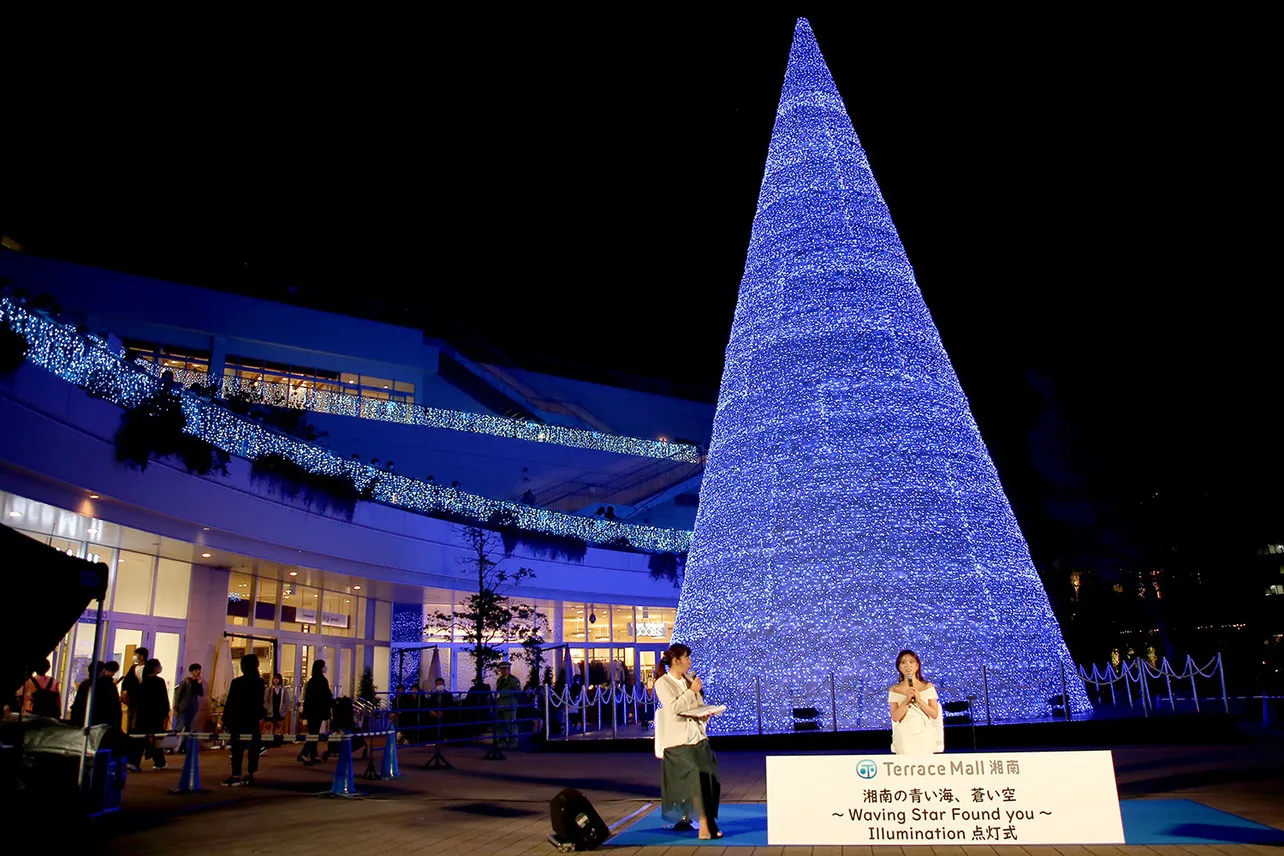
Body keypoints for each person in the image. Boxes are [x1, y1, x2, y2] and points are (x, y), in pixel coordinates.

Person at [653, 643, 721, 840]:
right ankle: (705, 825)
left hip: (698, 736)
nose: (690, 662)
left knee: (710, 775)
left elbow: (697, 705)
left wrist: (706, 713)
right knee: (696, 777)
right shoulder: (662, 683)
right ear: (676, 661)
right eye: (687, 658)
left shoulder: (689, 680)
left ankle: (710, 819)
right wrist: (691, 691)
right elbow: (674, 708)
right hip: (679, 742)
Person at [888, 649, 942, 755]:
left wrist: (919, 700)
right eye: (903, 662)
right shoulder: (894, 689)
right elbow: (895, 717)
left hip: (924, 730)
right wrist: (906, 700)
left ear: (917, 666)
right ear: (899, 667)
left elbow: (934, 714)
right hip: (904, 732)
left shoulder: (927, 686)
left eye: (911, 662)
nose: (907, 665)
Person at [222, 654, 266, 786]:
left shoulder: (237, 682)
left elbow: (230, 703)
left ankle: (236, 774)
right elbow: (259, 703)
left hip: (237, 719)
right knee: (253, 748)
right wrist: (261, 715)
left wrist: (226, 720)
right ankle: (250, 774)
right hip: (252, 719)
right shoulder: (259, 682)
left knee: (237, 749)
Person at [128, 659, 170, 771]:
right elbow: (163, 699)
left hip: (142, 716)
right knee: (155, 739)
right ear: (155, 668)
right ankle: (159, 762)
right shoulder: (159, 682)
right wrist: (165, 713)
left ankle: (134, 762)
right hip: (155, 716)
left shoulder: (142, 682)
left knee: (140, 739)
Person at [298, 660, 332, 765]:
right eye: (323, 666)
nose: (325, 668)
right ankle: (304, 754)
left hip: (311, 712)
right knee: (314, 733)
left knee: (313, 733)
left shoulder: (311, 681)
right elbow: (326, 696)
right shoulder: (322, 681)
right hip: (318, 711)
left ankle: (314, 755)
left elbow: (308, 698)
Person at [171, 664, 205, 753]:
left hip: (192, 708)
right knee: (179, 727)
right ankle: (172, 746)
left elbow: (201, 693)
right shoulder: (185, 682)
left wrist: (199, 684)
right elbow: (178, 695)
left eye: (199, 670)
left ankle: (183, 747)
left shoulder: (198, 682)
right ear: (191, 671)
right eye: (196, 670)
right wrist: (176, 708)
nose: (198, 672)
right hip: (183, 708)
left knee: (188, 728)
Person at [119, 647, 148, 734]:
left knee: (136, 724)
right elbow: (127, 682)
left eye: (136, 654)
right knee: (129, 724)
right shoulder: (133, 668)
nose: (134, 656)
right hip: (131, 701)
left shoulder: (147, 668)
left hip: (141, 702)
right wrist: (124, 692)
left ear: (142, 656)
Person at [495, 660, 522, 747]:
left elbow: (518, 692)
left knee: (511, 725)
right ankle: (501, 742)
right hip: (500, 705)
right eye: (501, 669)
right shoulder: (500, 680)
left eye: (504, 669)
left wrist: (505, 693)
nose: (502, 671)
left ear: (508, 669)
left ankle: (513, 742)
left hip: (509, 705)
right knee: (500, 725)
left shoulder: (513, 680)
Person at [264, 673, 291, 744]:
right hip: (270, 710)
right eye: (274, 678)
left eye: (277, 678)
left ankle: (276, 741)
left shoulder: (283, 690)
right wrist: (267, 708)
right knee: (268, 725)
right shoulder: (269, 689)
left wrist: (284, 710)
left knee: (278, 726)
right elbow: (265, 699)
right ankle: (267, 741)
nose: (275, 680)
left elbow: (287, 700)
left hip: (279, 710)